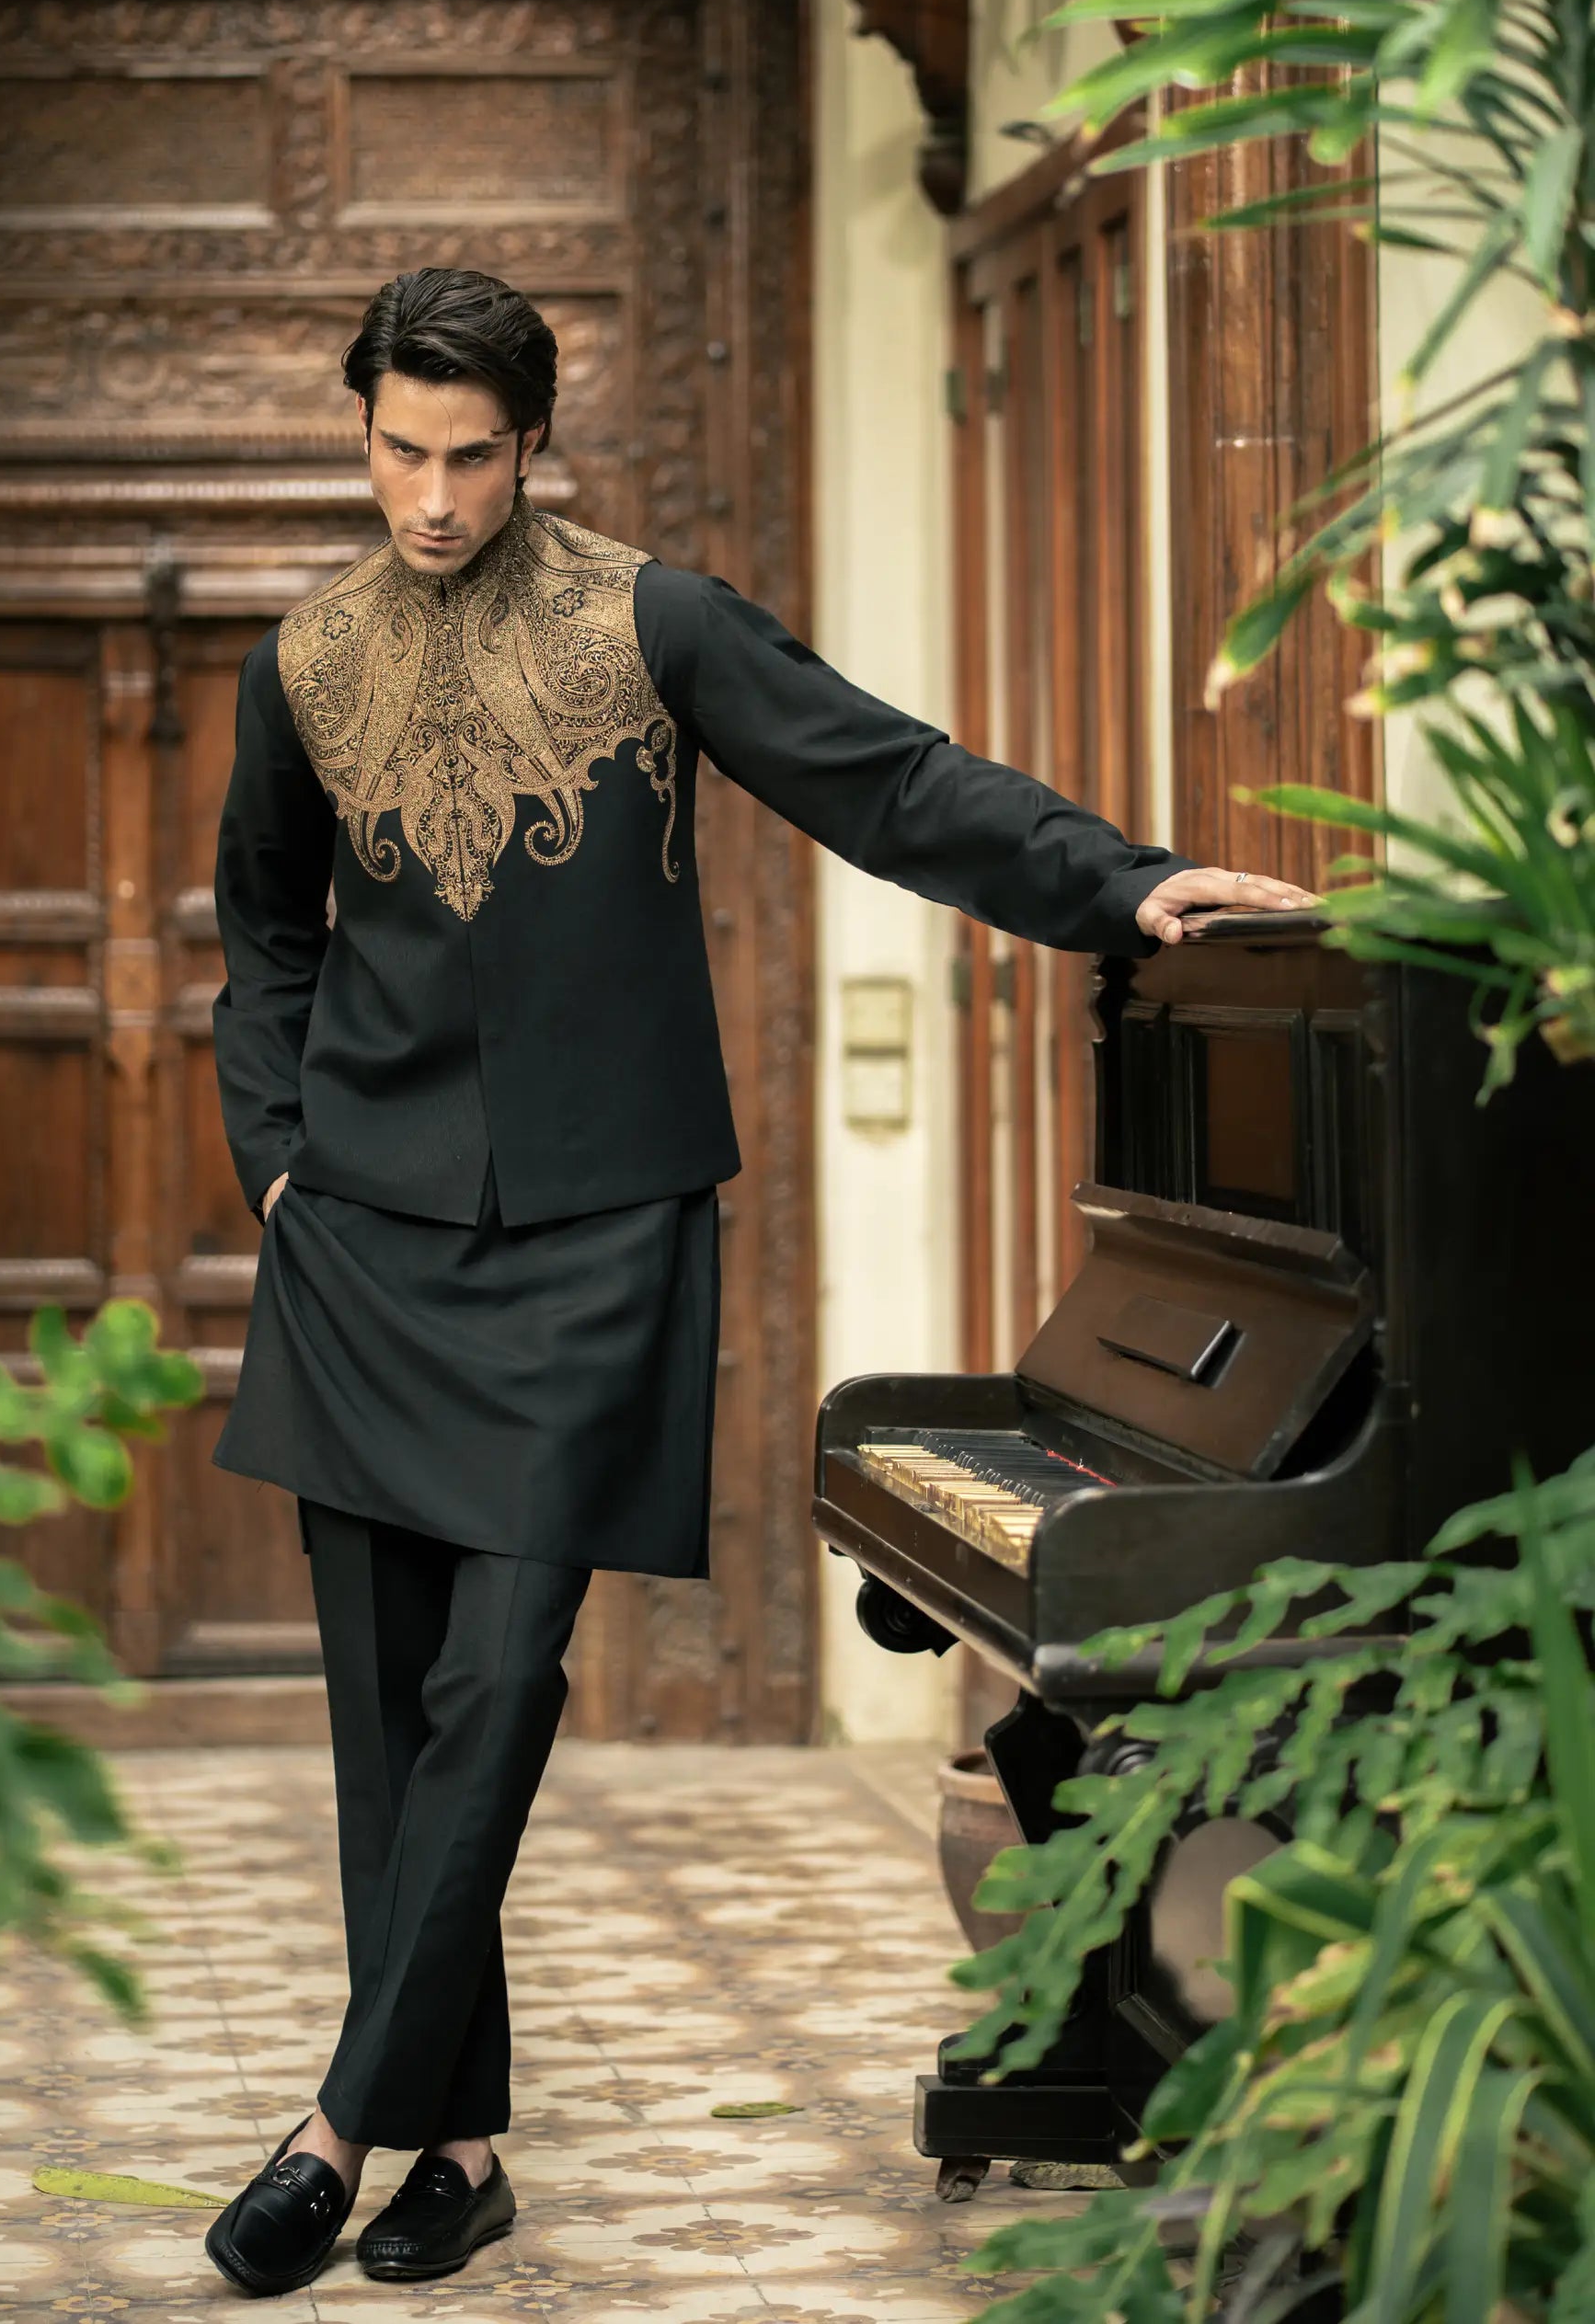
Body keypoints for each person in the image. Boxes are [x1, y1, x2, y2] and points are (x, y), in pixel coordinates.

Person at [201, 266, 1316, 2296]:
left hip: (598, 1240)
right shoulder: (300, 661)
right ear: (359, 431)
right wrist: (274, 1163)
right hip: (357, 1248)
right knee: (388, 1715)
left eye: (468, 459)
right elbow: (261, 932)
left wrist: (1121, 879)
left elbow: (886, 782)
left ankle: (337, 2122)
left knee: (496, 1688)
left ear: (531, 447)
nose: (430, 499)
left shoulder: (658, 621)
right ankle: (456, 2148)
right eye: (396, 453)